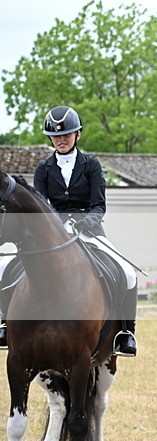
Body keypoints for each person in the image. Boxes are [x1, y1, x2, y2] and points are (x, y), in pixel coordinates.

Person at [0, 106, 138, 356]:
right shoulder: (43, 168)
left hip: (89, 231)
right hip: (52, 234)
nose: (61, 140)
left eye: (66, 135)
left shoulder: (92, 165)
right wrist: (55, 224)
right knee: (4, 269)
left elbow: (99, 205)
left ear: (78, 135)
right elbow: (41, 203)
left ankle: (126, 333)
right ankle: (3, 324)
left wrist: (86, 221)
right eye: (55, 136)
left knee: (127, 273)